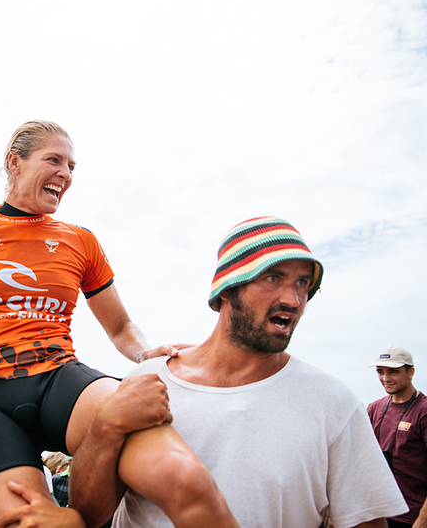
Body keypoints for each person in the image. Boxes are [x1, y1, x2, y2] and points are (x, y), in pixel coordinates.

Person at [0, 120, 237, 528]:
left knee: (184, 480)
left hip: (59, 381)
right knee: (31, 524)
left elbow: (120, 327)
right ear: (15, 162)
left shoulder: (80, 240)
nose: (66, 174)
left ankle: (99, 457)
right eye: (54, 160)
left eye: (72, 166)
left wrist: (145, 353)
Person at [77, 216, 408, 528]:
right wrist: (104, 425)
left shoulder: (333, 403)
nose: (293, 299)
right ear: (226, 288)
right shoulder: (149, 382)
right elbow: (89, 515)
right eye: (273, 277)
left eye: (303, 283)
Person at [368, 346, 427, 528]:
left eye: (393, 372)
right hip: (379, 515)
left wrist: (422, 522)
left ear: (411, 372)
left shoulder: (423, 410)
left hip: (412, 517)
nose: (386, 379)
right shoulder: (374, 408)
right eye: (380, 372)